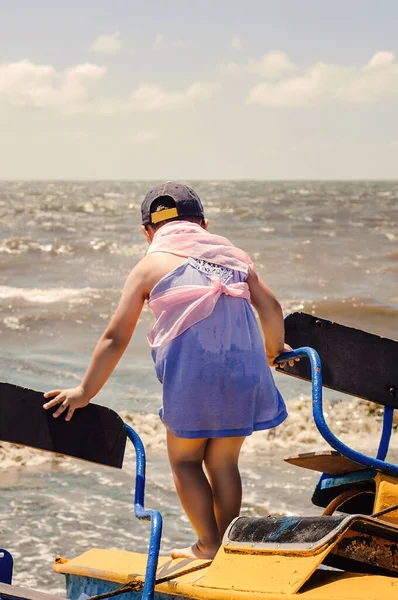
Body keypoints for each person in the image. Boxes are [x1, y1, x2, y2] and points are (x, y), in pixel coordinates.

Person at [43, 182, 294, 560]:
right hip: (246, 377)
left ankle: (208, 544)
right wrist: (275, 351)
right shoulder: (234, 258)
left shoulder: (149, 266)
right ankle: (228, 546)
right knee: (224, 461)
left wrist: (85, 391)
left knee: (185, 460)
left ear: (148, 232)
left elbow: (115, 337)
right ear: (204, 225)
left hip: (193, 382)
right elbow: (271, 308)